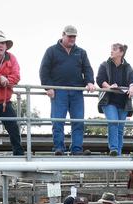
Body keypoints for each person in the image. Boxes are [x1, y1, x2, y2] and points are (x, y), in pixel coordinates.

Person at [39, 25, 95, 156]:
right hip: (59, 91)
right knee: (58, 121)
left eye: (74, 36)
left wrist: (90, 82)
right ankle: (59, 148)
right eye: (70, 36)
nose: (72, 39)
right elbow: (44, 70)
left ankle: (77, 149)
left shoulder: (81, 52)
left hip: (76, 91)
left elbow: (87, 69)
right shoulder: (51, 51)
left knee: (78, 121)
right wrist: (48, 87)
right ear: (63, 35)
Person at [96, 43, 133, 156]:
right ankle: (113, 149)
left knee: (120, 128)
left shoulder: (128, 67)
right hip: (108, 100)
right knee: (113, 122)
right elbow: (100, 79)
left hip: (123, 102)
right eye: (111, 49)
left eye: (114, 49)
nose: (111, 51)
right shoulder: (105, 65)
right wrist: (109, 87)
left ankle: (118, 153)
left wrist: (132, 86)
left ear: (121, 52)